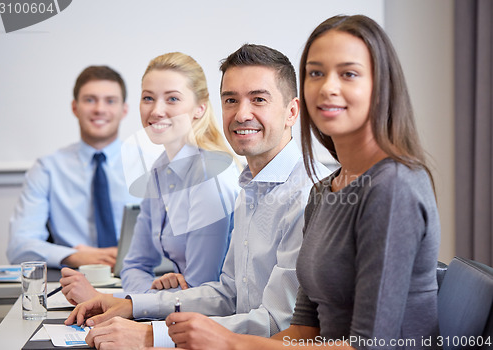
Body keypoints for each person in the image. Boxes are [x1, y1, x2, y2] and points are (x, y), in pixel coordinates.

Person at [162, 15, 441, 350]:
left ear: (380, 87)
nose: (327, 87)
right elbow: (302, 332)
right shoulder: (325, 191)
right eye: (316, 73)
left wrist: (230, 343)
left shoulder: (394, 187)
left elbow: (368, 347)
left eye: (348, 74)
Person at [65, 44, 331, 349]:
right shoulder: (251, 187)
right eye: (231, 100)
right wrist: (130, 304)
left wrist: (152, 336)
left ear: (292, 111)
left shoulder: (308, 193)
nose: (242, 113)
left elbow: (276, 323)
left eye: (258, 99)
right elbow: (227, 294)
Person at [60, 52, 240, 304]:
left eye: (173, 99)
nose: (156, 110)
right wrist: (154, 292)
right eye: (148, 98)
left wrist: (125, 301)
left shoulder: (209, 176)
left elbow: (202, 292)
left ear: (200, 108)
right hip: (178, 312)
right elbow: (133, 265)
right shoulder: (159, 170)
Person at [7, 66, 138, 269]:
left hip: (141, 281)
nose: (100, 109)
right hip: (73, 280)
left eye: (110, 101)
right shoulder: (47, 168)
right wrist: (73, 256)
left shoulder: (151, 166)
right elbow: (19, 246)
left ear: (124, 110)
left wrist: (130, 255)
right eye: (90, 100)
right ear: (75, 107)